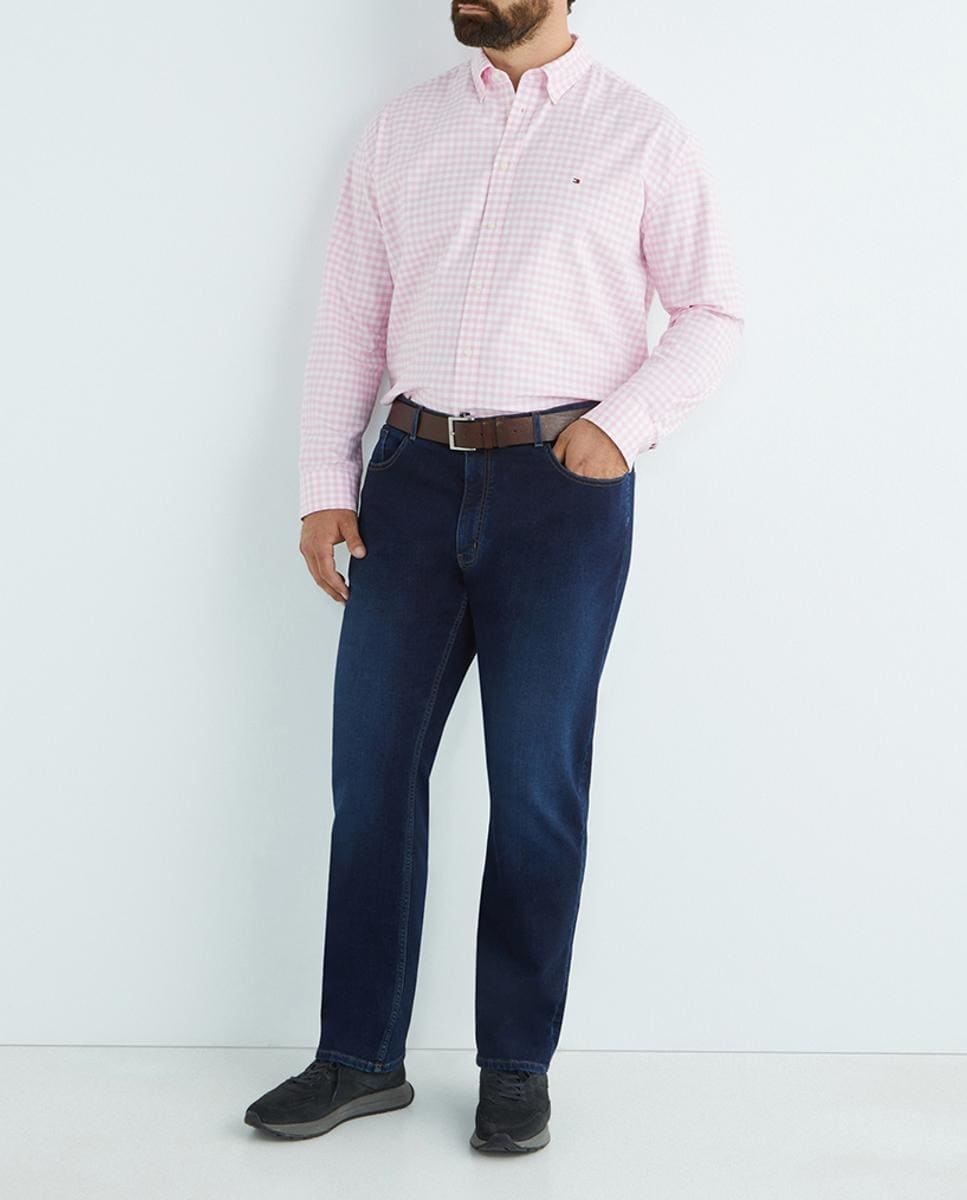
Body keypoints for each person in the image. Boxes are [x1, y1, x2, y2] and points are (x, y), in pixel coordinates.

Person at [245, 0, 744, 1154]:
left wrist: (623, 425)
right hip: (409, 481)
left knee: (533, 787)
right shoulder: (400, 130)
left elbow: (712, 312)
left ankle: (515, 1067)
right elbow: (350, 319)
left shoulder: (642, 134)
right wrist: (325, 479)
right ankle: (358, 1056)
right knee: (371, 778)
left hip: (558, 487)